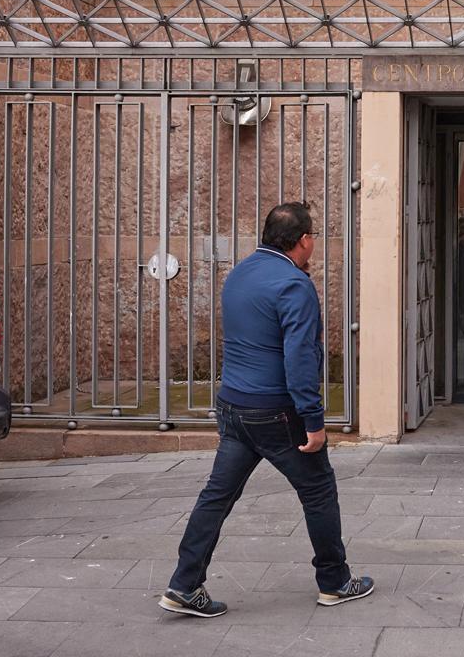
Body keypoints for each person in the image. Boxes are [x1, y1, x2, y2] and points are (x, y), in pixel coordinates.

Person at [161, 203, 375, 617]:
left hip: (234, 406)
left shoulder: (241, 272)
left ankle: (185, 584)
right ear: (305, 240)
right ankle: (334, 581)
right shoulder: (294, 285)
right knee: (318, 492)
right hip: (277, 411)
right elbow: (299, 358)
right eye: (313, 236)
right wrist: (313, 422)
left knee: (217, 496)